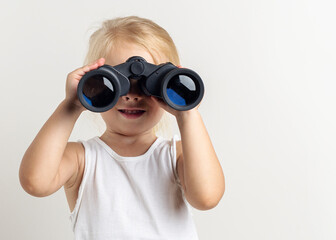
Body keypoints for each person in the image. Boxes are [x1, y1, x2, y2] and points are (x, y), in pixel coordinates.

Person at [19, 16, 225, 239]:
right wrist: (71, 105)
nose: (132, 96)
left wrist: (187, 112)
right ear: (94, 84)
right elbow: (35, 183)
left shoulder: (176, 156)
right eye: (117, 84)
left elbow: (207, 197)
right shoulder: (82, 159)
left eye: (148, 86)